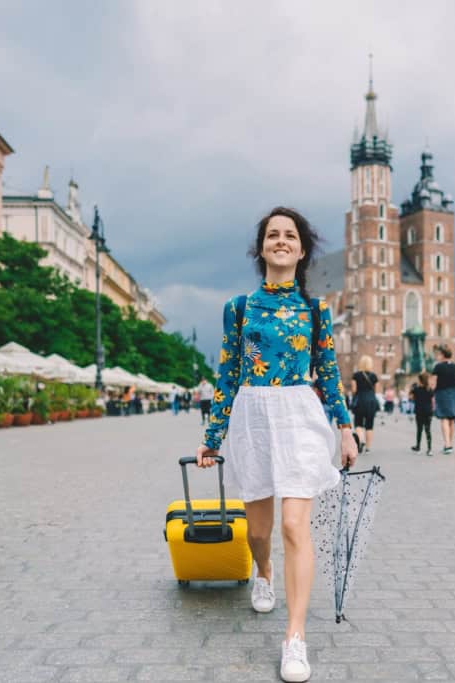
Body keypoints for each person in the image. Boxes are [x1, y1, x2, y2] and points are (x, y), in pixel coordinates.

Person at [195, 207, 357, 683]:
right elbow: (228, 372)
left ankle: (295, 637)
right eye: (273, 235)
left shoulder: (316, 310)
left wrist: (345, 428)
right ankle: (263, 571)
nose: (281, 241)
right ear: (261, 247)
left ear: (302, 250)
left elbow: (328, 372)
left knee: (293, 525)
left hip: (299, 415)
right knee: (260, 530)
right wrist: (212, 438)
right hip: (253, 417)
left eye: (290, 235)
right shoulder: (238, 308)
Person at [350, 355, 379, 454]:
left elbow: (354, 390)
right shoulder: (374, 376)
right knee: (369, 425)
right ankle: (368, 448)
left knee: (358, 423)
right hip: (371, 401)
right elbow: (376, 390)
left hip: (360, 401)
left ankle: (361, 440)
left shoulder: (356, 375)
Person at [409, 372, 434, 456]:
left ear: (420, 380)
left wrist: (411, 390)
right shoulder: (429, 389)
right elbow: (432, 400)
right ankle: (429, 449)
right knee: (428, 430)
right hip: (428, 411)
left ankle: (418, 446)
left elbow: (411, 398)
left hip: (419, 411)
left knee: (419, 429)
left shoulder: (416, 389)